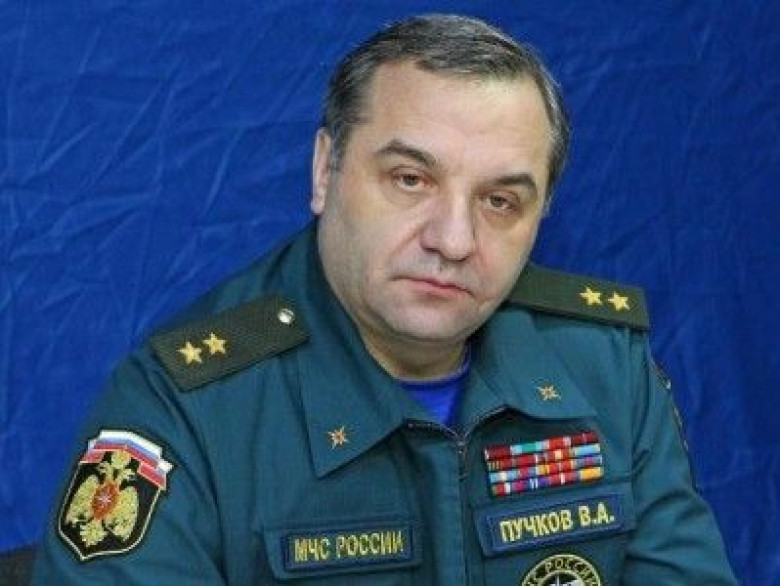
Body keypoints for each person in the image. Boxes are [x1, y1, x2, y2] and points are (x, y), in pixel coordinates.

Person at [32, 14, 736, 585]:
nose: (453, 239)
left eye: (500, 200)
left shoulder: (604, 368)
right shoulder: (186, 406)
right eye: (410, 180)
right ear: (325, 171)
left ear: (542, 214)